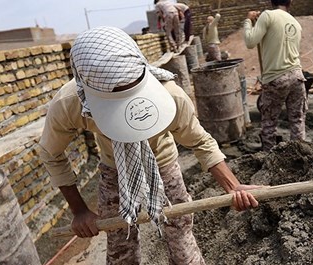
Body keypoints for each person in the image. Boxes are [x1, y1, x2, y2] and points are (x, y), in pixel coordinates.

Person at [38, 26, 260, 265]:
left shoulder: (170, 96)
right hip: (114, 169)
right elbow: (50, 153)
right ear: (87, 89)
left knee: (180, 228)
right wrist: (79, 210)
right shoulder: (69, 104)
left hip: (163, 162)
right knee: (119, 239)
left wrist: (233, 186)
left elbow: (200, 141)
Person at [243, 0, 307, 151]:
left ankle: (269, 158)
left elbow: (250, 42)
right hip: (297, 76)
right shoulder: (296, 23)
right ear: (290, 2)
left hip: (276, 78)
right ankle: (300, 155)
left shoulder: (268, 16)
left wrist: (248, 21)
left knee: (269, 122)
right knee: (297, 120)